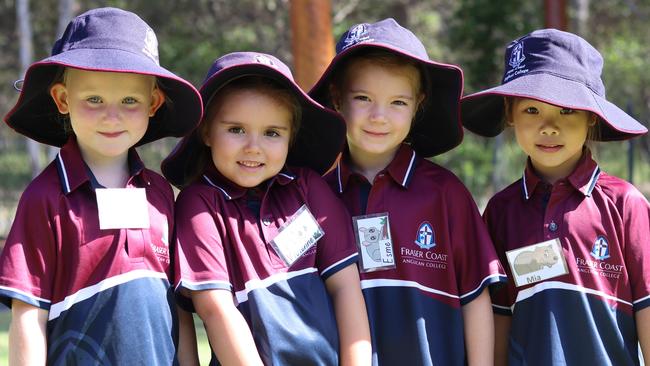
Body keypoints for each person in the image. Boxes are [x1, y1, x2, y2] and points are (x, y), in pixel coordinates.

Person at [0, 7, 203, 365]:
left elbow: (178, 307)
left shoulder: (160, 194)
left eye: (130, 101)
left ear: (153, 103)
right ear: (63, 100)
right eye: (94, 99)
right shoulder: (45, 198)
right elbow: (28, 316)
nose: (112, 116)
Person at [309, 18, 506, 365]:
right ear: (337, 98)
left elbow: (476, 297)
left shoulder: (446, 194)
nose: (379, 116)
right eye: (363, 98)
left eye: (398, 102)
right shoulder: (314, 198)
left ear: (418, 105)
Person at [162, 51, 371, 366]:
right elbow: (215, 308)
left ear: (291, 137)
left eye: (272, 133)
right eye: (236, 130)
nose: (253, 147)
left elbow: (345, 286)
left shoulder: (309, 188)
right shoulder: (198, 203)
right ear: (206, 132)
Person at [461, 28, 650, 365]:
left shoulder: (626, 204)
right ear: (510, 114)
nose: (549, 127)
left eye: (567, 111)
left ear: (592, 117)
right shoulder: (501, 211)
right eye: (532, 110)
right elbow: (500, 318)